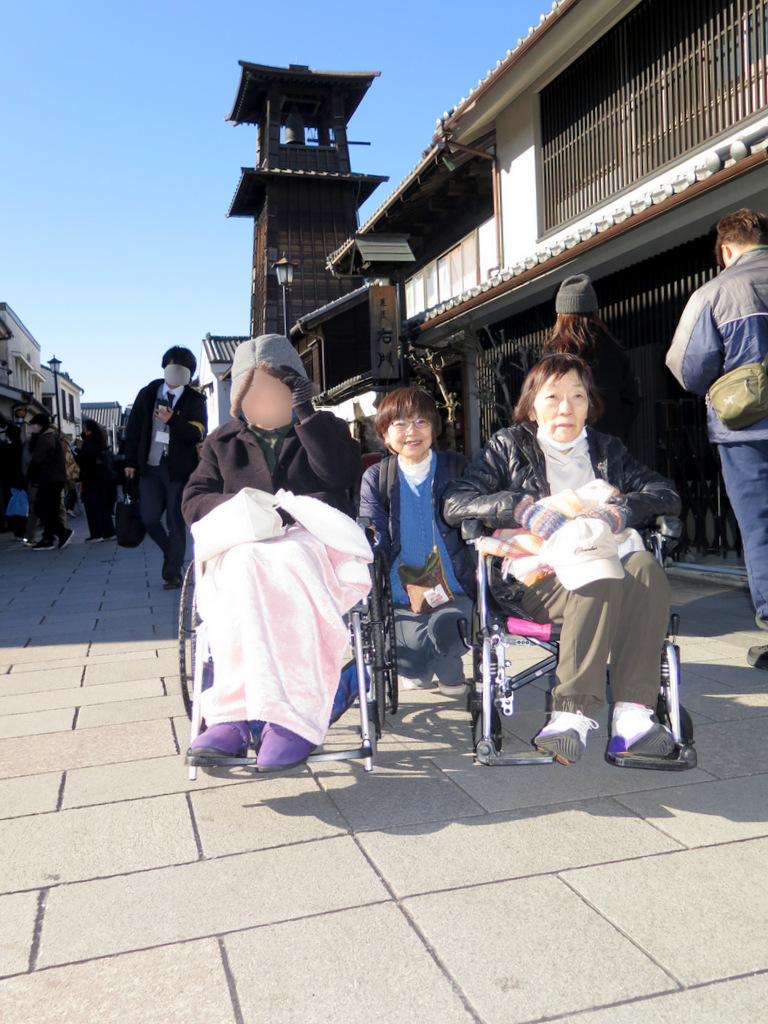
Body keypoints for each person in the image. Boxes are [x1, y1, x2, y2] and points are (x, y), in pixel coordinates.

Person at [442, 353, 681, 765]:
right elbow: (456, 502)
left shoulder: (609, 451)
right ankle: (570, 713)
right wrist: (521, 509)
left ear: (590, 405)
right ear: (532, 405)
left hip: (605, 566)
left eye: (578, 396)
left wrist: (620, 510)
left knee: (645, 569)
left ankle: (633, 716)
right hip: (537, 579)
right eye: (553, 397)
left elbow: (666, 494)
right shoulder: (508, 446)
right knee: (600, 573)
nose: (566, 408)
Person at [181, 334, 370, 771]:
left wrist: (307, 416)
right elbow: (193, 502)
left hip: (309, 540)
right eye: (254, 392)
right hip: (245, 545)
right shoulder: (220, 443)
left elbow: (341, 476)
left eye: (276, 390)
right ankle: (233, 717)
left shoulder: (324, 427)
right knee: (244, 568)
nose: (264, 400)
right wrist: (246, 508)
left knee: (290, 563)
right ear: (239, 400)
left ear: (297, 390)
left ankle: (290, 721)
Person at [666, 209, 768, 670]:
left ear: (726, 250)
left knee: (760, 526)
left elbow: (687, 368)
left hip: (745, 429)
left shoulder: (716, 291)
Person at [358, 386, 474, 696]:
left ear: (435, 428)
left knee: (449, 631)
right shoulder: (377, 477)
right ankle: (423, 669)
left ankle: (449, 668)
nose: (412, 431)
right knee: (408, 658)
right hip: (400, 595)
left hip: (454, 588)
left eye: (421, 421)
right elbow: (374, 534)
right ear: (385, 434)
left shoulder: (455, 468)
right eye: (400, 424)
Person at [124, 346, 207, 589]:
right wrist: (129, 462)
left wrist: (173, 421)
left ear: (189, 373)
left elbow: (195, 433)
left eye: (182, 369)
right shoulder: (148, 393)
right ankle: (172, 554)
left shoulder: (194, 400)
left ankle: (172, 573)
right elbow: (134, 429)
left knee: (175, 520)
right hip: (149, 466)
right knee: (148, 517)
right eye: (171, 367)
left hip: (178, 470)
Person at [543, 274, 641, 443]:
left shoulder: (554, 356)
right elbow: (631, 401)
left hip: (568, 448)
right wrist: (613, 426)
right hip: (609, 447)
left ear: (561, 315)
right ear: (594, 312)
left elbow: (543, 405)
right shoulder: (612, 350)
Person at [25, 413, 74, 551]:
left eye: (34, 424)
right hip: (57, 478)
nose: (32, 427)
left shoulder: (44, 439)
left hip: (49, 479)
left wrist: (29, 477)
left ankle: (62, 532)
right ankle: (48, 538)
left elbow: (37, 461)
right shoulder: (53, 436)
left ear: (40, 425)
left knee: (41, 508)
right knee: (51, 508)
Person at [75, 419, 116, 542]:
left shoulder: (89, 443)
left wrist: (75, 453)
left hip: (91, 478)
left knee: (92, 506)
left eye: (84, 427)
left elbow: (83, 459)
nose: (82, 429)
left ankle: (97, 534)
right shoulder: (99, 442)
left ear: (88, 429)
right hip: (102, 478)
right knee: (103, 506)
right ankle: (109, 532)